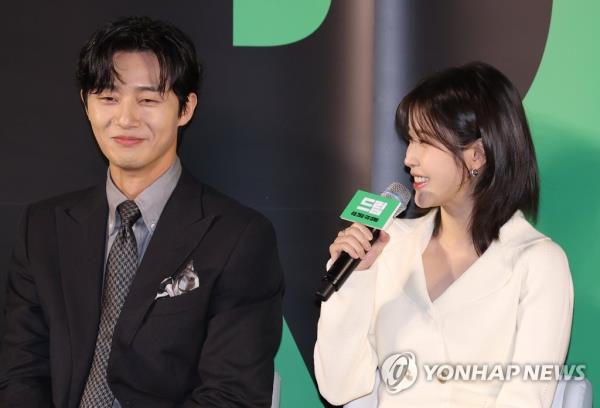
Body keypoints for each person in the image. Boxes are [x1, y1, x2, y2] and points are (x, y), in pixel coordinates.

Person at [0, 16, 283, 407]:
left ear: (185, 109)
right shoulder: (43, 228)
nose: (126, 119)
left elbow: (230, 394)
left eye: (148, 99)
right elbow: (21, 372)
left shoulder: (238, 237)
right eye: (108, 97)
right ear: (86, 104)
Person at [314, 62, 573, 407]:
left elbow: (527, 397)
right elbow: (338, 387)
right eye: (409, 141)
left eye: (424, 141)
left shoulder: (538, 263)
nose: (409, 158)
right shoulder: (391, 245)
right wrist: (355, 280)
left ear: (477, 154)